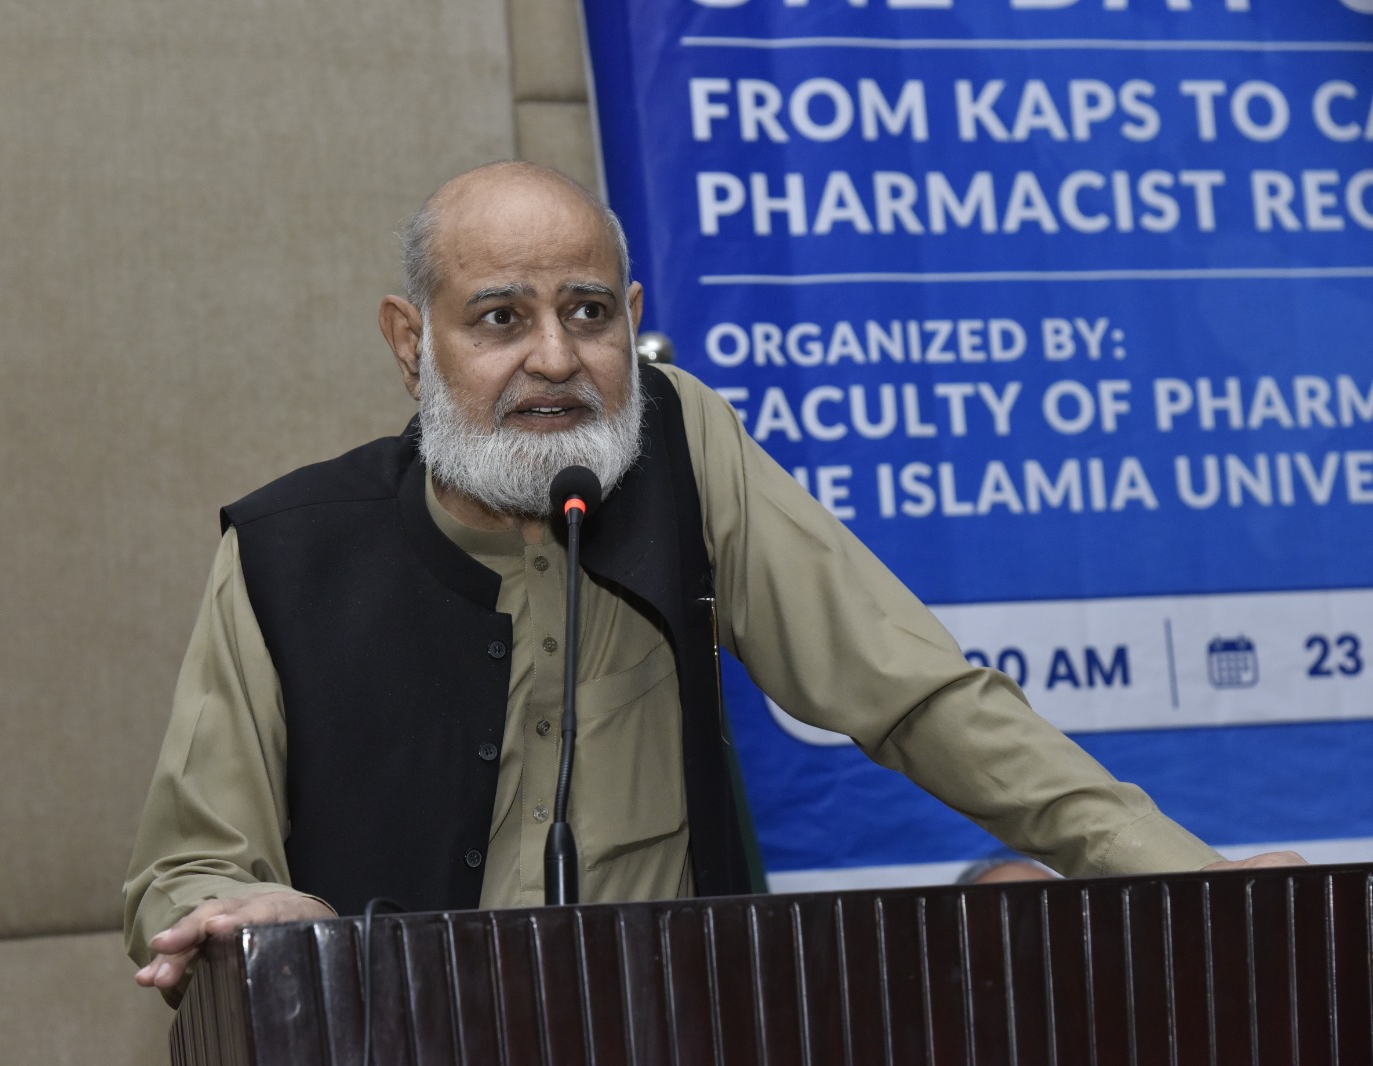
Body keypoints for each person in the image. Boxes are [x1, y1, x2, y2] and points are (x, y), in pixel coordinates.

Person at [124, 161, 1301, 1000]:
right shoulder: (284, 551)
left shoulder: (681, 451)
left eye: (587, 312)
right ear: (409, 342)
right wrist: (256, 918)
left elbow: (915, 694)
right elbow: (184, 868)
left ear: (630, 321)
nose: (553, 356)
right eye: (499, 317)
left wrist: (1189, 881)